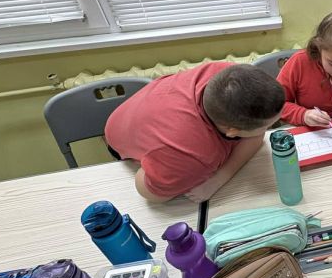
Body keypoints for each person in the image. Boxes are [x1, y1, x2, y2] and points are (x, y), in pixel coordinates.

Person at [105, 63, 285, 203]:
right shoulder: (196, 158)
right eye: (269, 125)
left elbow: (255, 137)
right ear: (232, 131)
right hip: (122, 145)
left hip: (134, 111)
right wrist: (160, 162)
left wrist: (220, 177)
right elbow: (148, 192)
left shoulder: (229, 73)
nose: (272, 127)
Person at [276, 7, 332, 127]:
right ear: (319, 48)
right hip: (308, 128)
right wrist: (303, 115)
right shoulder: (299, 63)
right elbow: (276, 104)